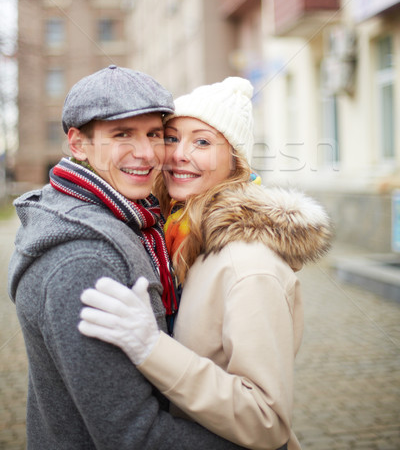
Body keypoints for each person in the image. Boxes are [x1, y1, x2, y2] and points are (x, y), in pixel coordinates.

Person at [79, 76, 332, 450]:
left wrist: (151, 349)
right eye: (170, 137)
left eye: (202, 141)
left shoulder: (248, 264)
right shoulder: (180, 239)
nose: (178, 154)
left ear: (235, 162)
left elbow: (266, 422)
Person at [8, 65, 248, 450]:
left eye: (155, 134)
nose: (147, 153)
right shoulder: (85, 259)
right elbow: (134, 437)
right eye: (122, 134)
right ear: (78, 144)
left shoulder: (128, 218)